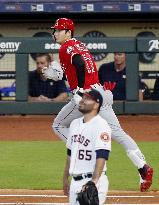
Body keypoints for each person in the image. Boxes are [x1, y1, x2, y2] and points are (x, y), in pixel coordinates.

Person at [42, 18, 153, 192]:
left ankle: (86, 153)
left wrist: (78, 89)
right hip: (100, 92)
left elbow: (79, 64)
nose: (55, 33)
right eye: (54, 30)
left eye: (58, 30)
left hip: (85, 96)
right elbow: (78, 68)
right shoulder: (79, 44)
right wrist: (62, 76)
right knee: (117, 132)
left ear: (68, 32)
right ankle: (143, 167)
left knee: (58, 125)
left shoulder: (66, 47)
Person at [63, 89, 111, 205]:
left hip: (92, 181)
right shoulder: (74, 124)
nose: (82, 101)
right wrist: (65, 177)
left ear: (96, 104)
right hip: (75, 182)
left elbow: (102, 155)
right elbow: (70, 153)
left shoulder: (101, 125)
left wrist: (94, 181)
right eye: (83, 97)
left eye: (87, 98)